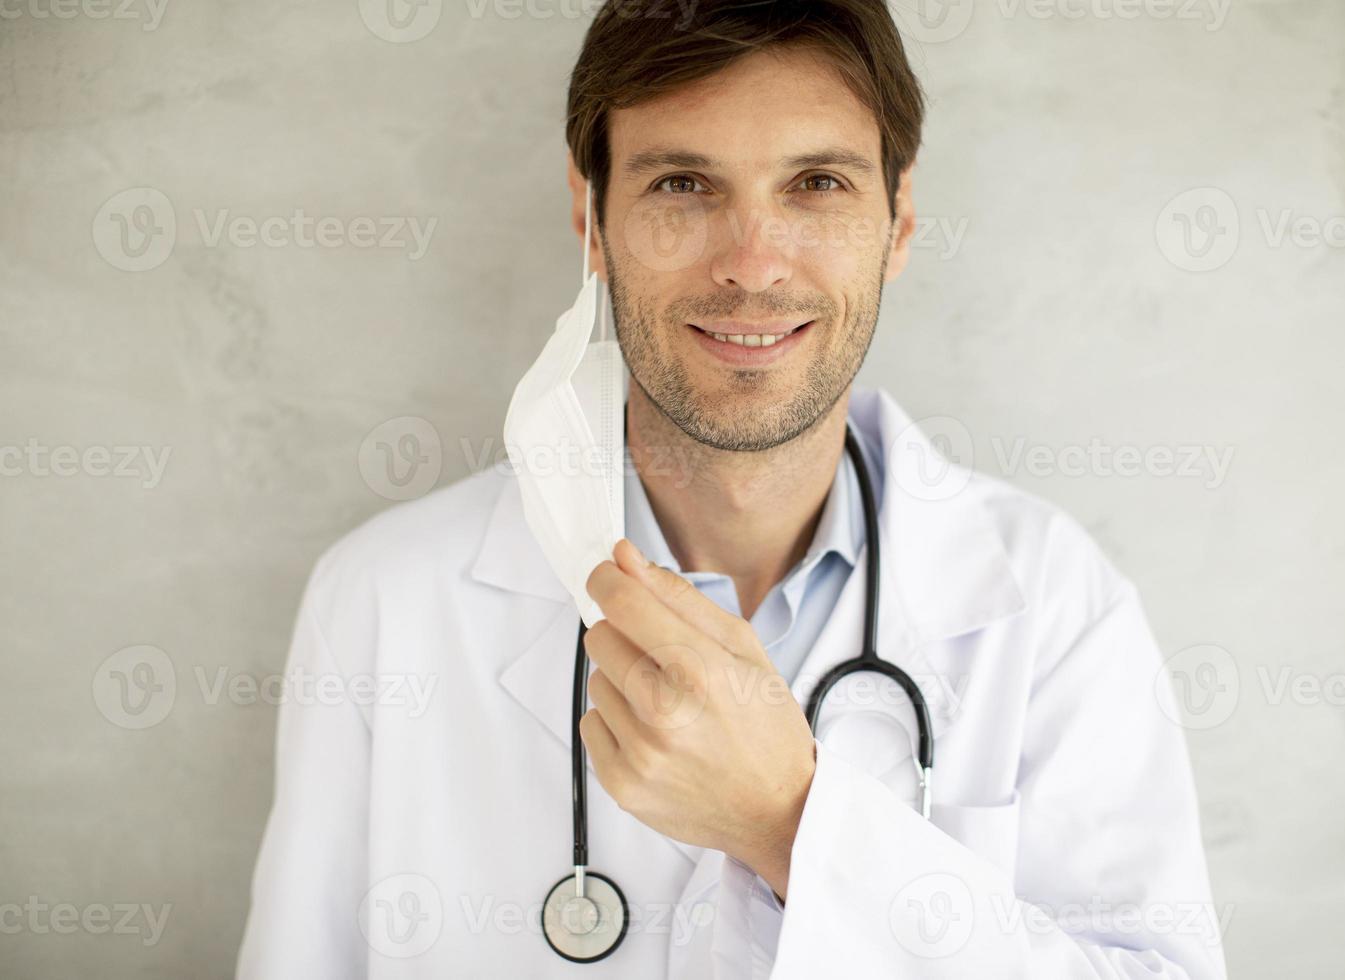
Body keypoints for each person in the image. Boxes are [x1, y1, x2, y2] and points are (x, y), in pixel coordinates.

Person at [237, 2, 1227, 977]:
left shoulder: (1054, 603)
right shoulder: (385, 601)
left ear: (900, 220)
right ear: (591, 219)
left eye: (817, 183)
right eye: (682, 184)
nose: (751, 266)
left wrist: (790, 822)